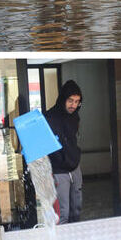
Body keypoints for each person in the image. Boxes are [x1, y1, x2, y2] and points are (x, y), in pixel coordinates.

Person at [45, 80, 83, 224]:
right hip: (59, 171)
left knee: (76, 209)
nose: (73, 105)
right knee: (63, 213)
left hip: (75, 168)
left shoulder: (75, 116)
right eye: (70, 101)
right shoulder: (49, 117)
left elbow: (73, 140)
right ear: (63, 99)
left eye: (77, 102)